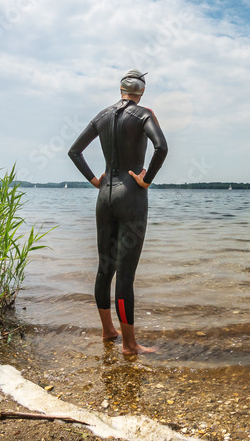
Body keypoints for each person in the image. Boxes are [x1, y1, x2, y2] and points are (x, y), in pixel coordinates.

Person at [67, 69, 167, 355]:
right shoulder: (144, 113)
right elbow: (161, 147)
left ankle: (108, 331)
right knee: (124, 276)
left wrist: (95, 180)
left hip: (105, 196)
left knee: (104, 268)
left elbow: (75, 151)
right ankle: (129, 344)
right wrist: (146, 180)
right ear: (141, 91)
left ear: (120, 89)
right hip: (131, 196)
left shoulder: (102, 115)